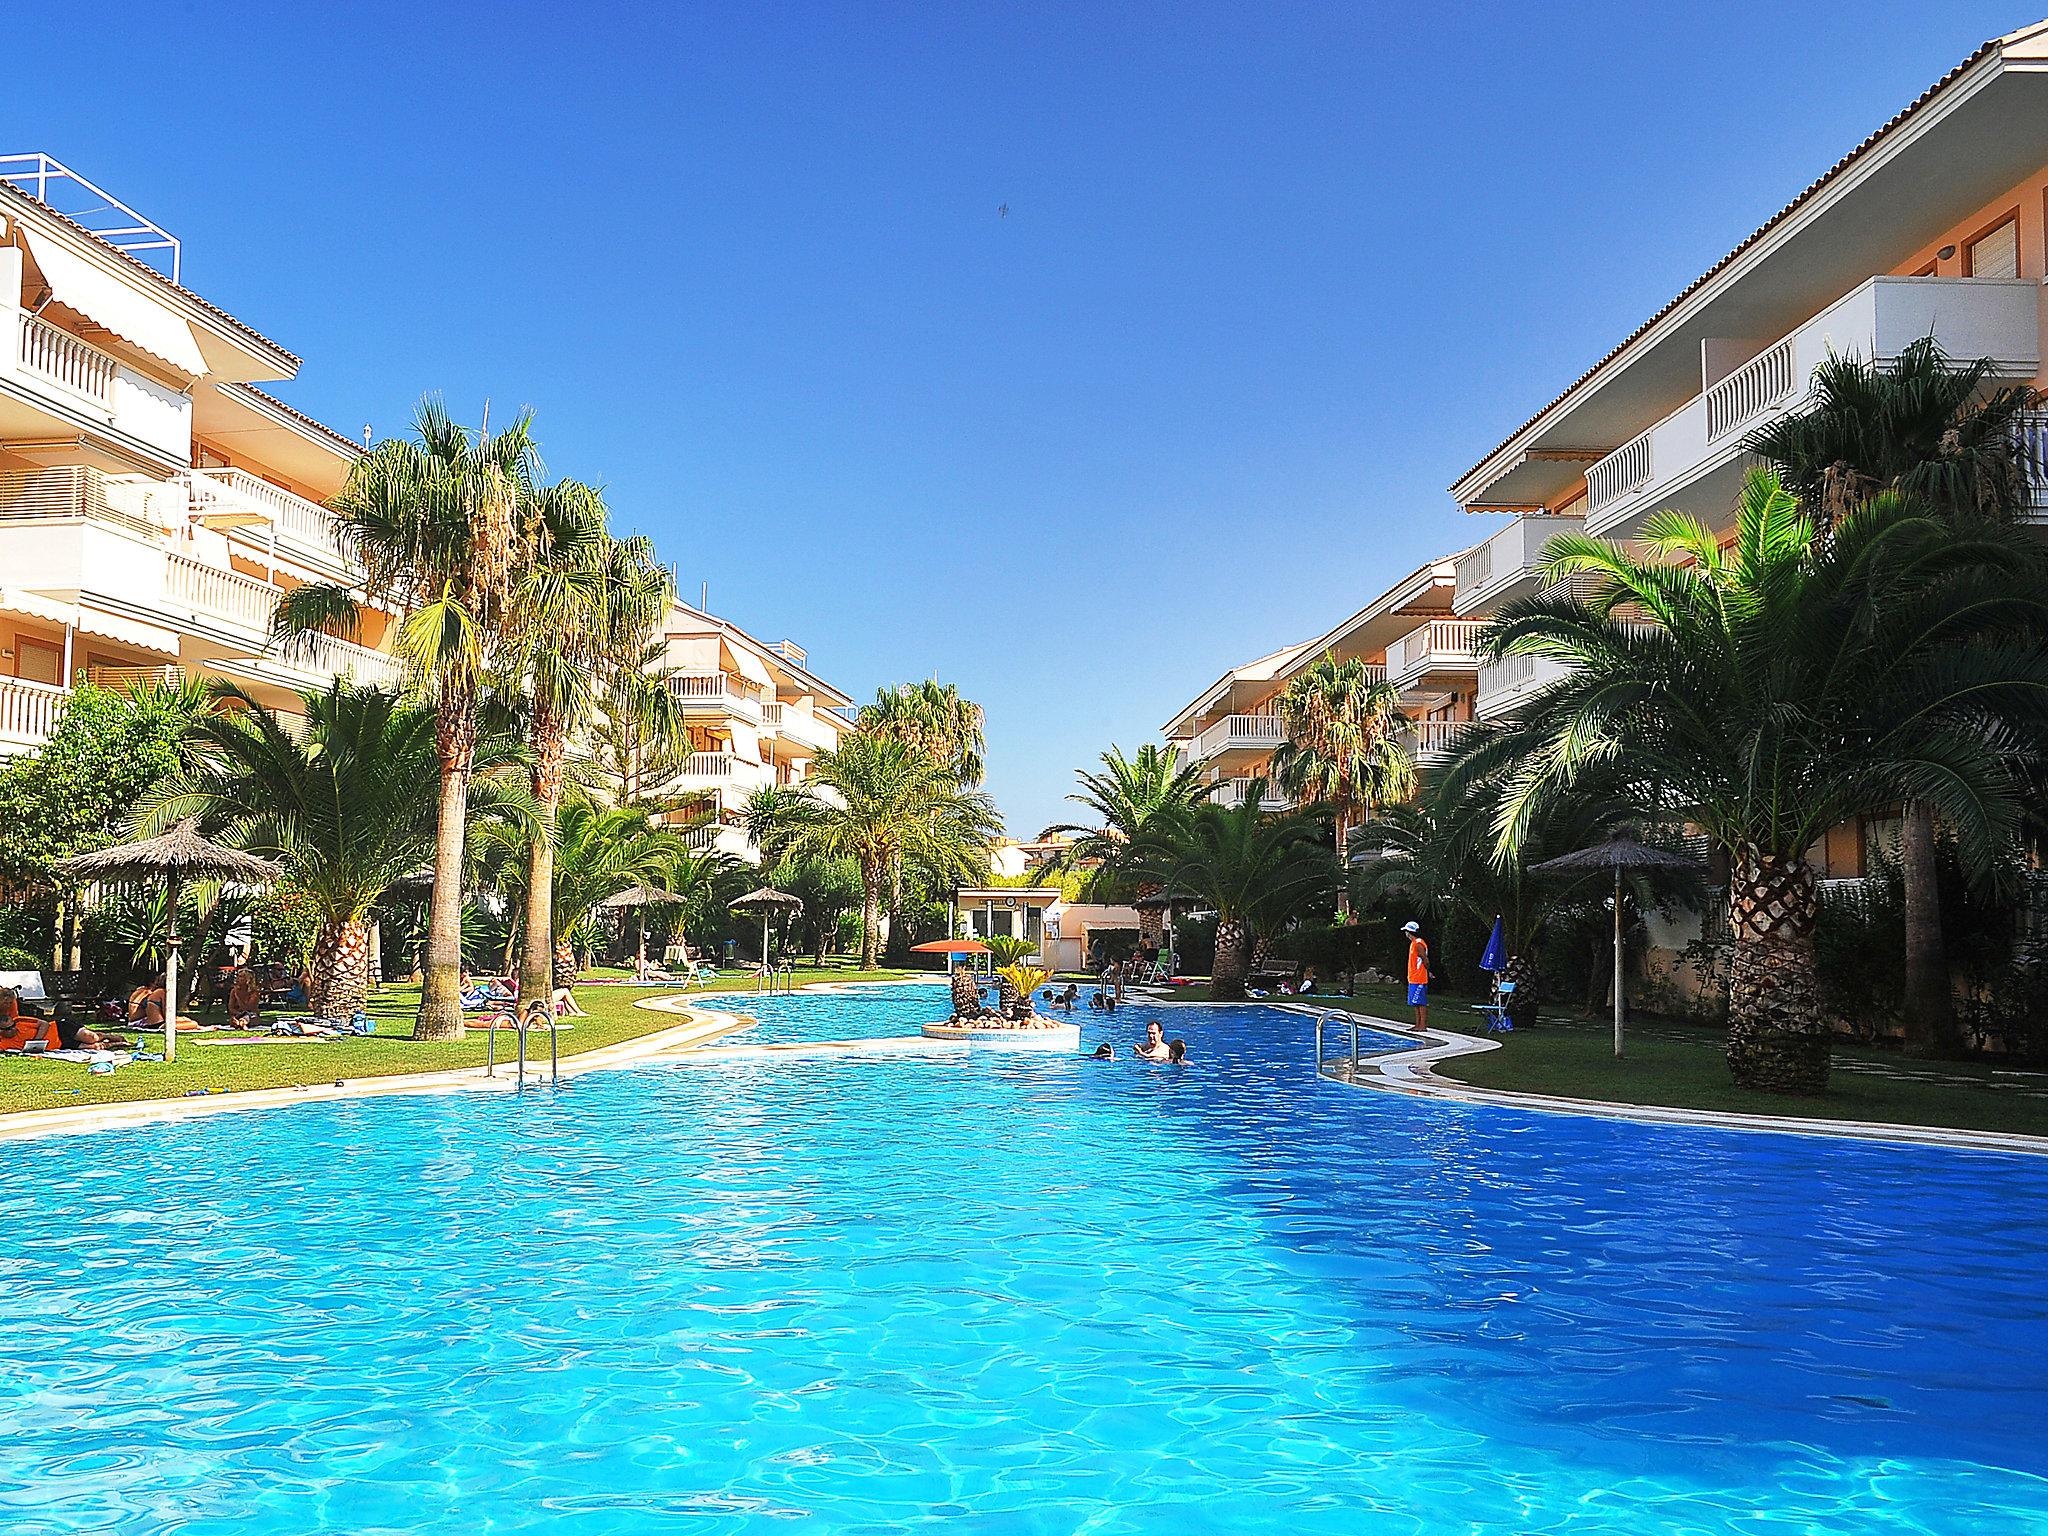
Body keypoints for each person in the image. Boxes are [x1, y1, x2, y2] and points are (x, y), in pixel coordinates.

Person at [1403, 920, 1430, 1029]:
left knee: (1421, 1002)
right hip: (1414, 977)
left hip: (1419, 978)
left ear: (1410, 932)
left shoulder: (1418, 944)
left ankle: (1422, 1025)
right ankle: (1418, 1024)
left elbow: (1425, 960)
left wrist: (1427, 971)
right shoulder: (1414, 943)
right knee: (1415, 1002)